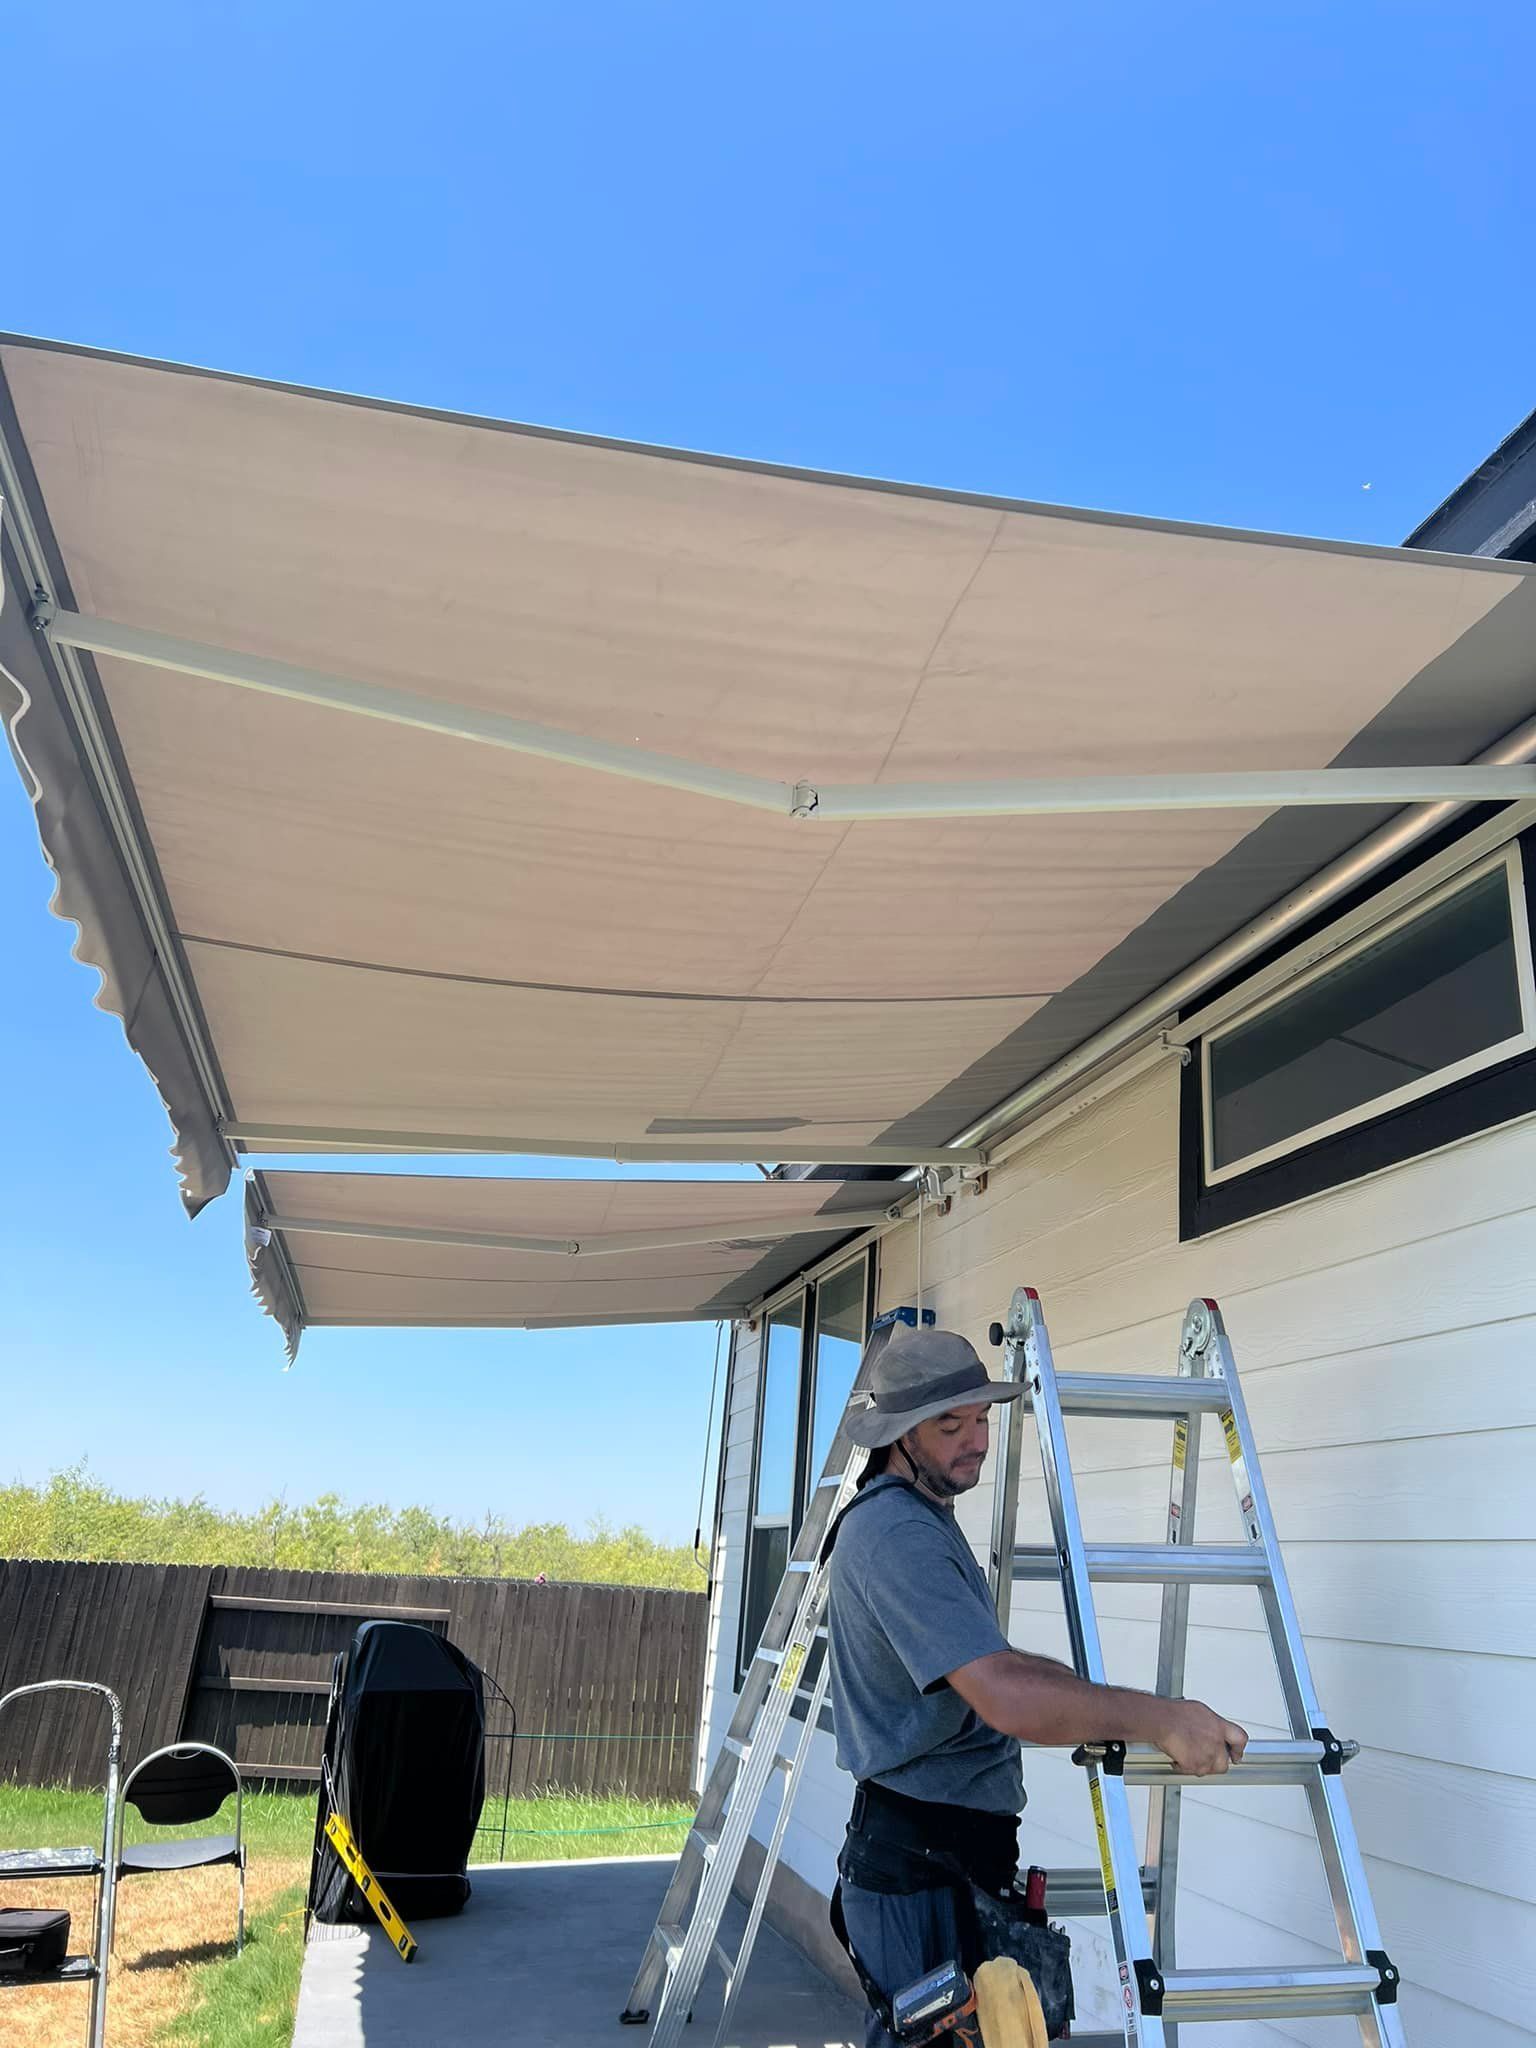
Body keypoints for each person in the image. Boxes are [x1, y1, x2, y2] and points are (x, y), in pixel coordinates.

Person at [825, 1326, 1248, 2047]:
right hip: (919, 1874)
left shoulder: (923, 1518)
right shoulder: (898, 1533)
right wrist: (1161, 1719)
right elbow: (1004, 1693)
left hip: (948, 1862)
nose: (977, 1439)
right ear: (899, 1437)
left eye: (983, 1418)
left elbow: (991, 1663)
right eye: (949, 1423)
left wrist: (1100, 1699)